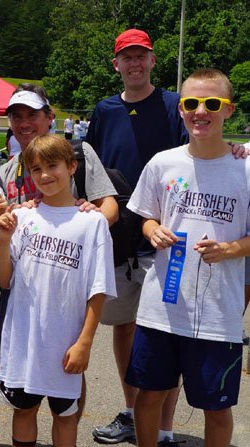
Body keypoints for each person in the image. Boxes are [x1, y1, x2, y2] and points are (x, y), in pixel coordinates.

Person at [126, 68, 249, 446]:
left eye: (211, 103)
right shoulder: (163, 163)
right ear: (181, 108)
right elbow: (144, 216)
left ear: (228, 110)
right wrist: (153, 230)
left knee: (216, 408)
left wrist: (230, 249)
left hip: (216, 313)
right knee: (148, 396)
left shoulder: (244, 166)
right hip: (161, 307)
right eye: (192, 103)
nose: (201, 111)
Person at [0, 86, 118, 446]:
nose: (44, 175)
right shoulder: (9, 180)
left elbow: (98, 287)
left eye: (32, 114)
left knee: (66, 412)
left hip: (67, 330)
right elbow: (4, 277)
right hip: (24, 328)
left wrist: (85, 341)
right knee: (24, 409)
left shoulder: (89, 214)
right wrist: (2, 235)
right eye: (37, 169)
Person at [85, 29, 189, 446]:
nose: (134, 64)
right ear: (116, 64)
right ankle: (132, 413)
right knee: (124, 326)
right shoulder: (105, 110)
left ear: (152, 60)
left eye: (140, 56)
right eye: (126, 57)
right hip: (119, 236)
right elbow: (89, 168)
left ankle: (162, 430)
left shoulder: (172, 106)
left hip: (165, 233)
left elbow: (200, 146)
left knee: (168, 331)